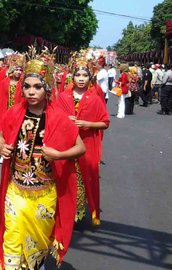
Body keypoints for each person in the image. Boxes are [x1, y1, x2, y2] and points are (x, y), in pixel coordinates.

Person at [0, 50, 85, 270]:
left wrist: (60, 155)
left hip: (44, 191)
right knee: (12, 236)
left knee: (38, 240)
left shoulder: (58, 117)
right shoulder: (15, 112)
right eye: (27, 86)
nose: (31, 92)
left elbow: (80, 147)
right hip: (15, 189)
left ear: (47, 89)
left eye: (37, 87)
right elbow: (1, 135)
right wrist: (0, 146)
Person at [56, 54, 110, 225]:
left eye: (85, 75)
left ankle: (77, 212)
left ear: (90, 77)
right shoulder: (63, 97)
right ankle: (62, 208)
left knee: (81, 178)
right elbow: (53, 118)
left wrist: (87, 123)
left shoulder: (94, 99)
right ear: (72, 76)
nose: (81, 79)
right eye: (78, 75)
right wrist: (65, 120)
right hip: (66, 145)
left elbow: (105, 122)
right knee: (64, 177)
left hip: (86, 145)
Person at [0, 54, 25, 163]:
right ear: (12, 69)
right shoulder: (5, 82)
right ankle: (3, 153)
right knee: (4, 131)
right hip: (4, 112)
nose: (18, 72)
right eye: (16, 69)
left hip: (18, 112)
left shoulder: (24, 83)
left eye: (20, 70)